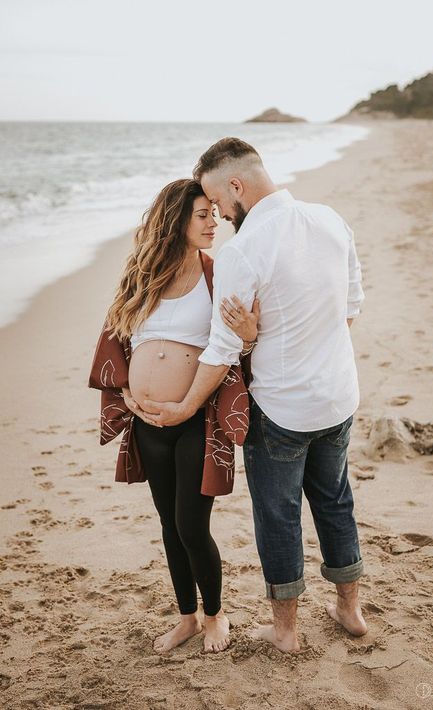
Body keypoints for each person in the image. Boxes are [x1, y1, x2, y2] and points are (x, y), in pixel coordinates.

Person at [143, 139, 368, 652]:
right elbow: (350, 306)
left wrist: (184, 406)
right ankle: (349, 609)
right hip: (337, 397)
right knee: (335, 501)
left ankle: (286, 630)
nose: (219, 215)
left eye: (218, 202)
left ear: (236, 186)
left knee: (278, 513)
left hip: (282, 407)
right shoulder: (330, 219)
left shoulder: (243, 251)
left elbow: (221, 350)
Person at [88, 178, 258, 654]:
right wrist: (128, 393)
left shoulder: (217, 274)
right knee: (168, 524)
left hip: (196, 420)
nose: (214, 221)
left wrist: (249, 337)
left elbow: (235, 348)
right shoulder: (141, 277)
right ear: (176, 220)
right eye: (202, 214)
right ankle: (186, 617)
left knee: (190, 525)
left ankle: (215, 615)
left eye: (214, 213)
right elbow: (119, 340)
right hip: (147, 422)